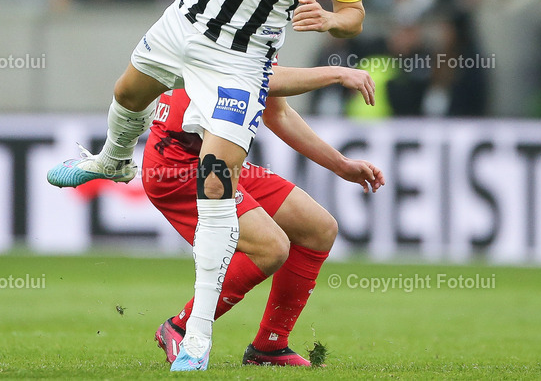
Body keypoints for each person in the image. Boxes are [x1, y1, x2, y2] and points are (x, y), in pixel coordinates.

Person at [47, 0, 380, 371]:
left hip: (237, 63)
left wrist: (331, 21)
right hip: (185, 21)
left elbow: (355, 13)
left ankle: (195, 334)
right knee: (127, 92)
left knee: (217, 188)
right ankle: (111, 159)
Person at [148, 64, 384, 367]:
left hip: (222, 159)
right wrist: (337, 74)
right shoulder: (229, 31)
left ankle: (269, 347)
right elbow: (261, 75)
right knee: (271, 247)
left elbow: (277, 112)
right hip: (180, 168)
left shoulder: (255, 32)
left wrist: (340, 164)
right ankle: (179, 326)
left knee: (318, 228)